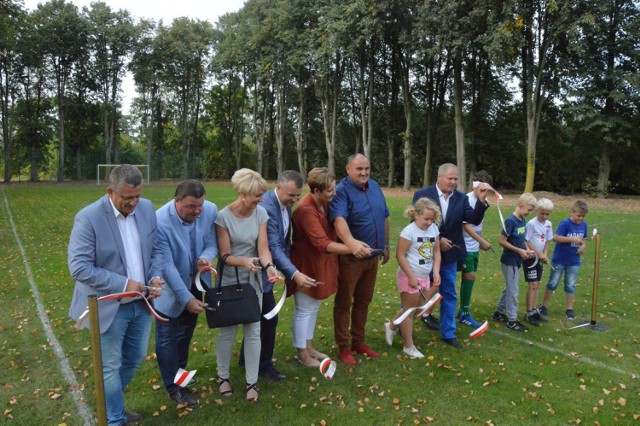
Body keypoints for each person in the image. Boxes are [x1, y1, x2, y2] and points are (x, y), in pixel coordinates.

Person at [68, 164, 163, 426]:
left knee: (134, 357)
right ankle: (114, 418)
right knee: (110, 366)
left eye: (137, 196)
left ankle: (111, 405)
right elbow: (79, 267)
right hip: (108, 306)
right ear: (111, 192)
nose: (133, 203)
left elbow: (155, 250)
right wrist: (123, 284)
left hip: (142, 303)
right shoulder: (88, 218)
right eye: (127, 198)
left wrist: (154, 276)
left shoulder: (146, 208)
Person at [241, 170, 317, 381]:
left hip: (267, 272)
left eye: (297, 196)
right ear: (278, 186)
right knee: (268, 319)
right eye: (290, 195)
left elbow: (285, 242)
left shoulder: (285, 205)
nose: (294, 200)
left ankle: (246, 360)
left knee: (259, 318)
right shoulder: (267, 207)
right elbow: (273, 246)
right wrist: (293, 272)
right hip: (254, 271)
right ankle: (263, 365)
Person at [215, 168, 279, 403]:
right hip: (230, 280)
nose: (260, 199)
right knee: (227, 332)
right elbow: (224, 255)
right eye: (256, 195)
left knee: (254, 331)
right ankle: (223, 378)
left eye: (262, 195)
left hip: (253, 281)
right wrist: (244, 262)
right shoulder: (223, 217)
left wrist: (269, 266)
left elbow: (263, 247)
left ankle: (252, 382)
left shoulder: (260, 212)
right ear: (242, 193)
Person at [153, 180, 218, 408]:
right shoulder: (159, 221)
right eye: (191, 206)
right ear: (176, 200)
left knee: (185, 334)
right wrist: (186, 299)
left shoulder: (210, 209)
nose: (197, 211)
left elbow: (212, 243)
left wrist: (206, 258)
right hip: (170, 289)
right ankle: (174, 388)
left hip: (196, 284)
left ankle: (178, 375)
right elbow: (166, 266)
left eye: (200, 205)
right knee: (166, 336)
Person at [413, 163, 489, 348]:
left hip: (449, 257)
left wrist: (480, 200)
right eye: (451, 178)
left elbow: (473, 219)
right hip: (425, 255)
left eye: (456, 179)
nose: (454, 182)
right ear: (439, 177)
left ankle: (448, 333)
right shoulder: (423, 195)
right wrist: (438, 241)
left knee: (448, 293)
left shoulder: (461, 198)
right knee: (416, 293)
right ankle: (403, 323)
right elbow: (415, 224)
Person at [290, 168, 357, 367]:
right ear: (316, 191)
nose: (333, 194)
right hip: (306, 265)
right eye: (329, 191)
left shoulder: (324, 205)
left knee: (314, 306)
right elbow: (322, 243)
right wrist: (352, 248)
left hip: (321, 263)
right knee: (303, 309)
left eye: (333, 189)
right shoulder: (305, 210)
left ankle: (309, 346)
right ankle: (301, 353)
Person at [329, 153, 388, 365]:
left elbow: (384, 216)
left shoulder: (375, 186)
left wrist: (386, 246)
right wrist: (352, 244)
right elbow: (338, 220)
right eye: (359, 169)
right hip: (351, 260)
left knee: (364, 301)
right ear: (347, 169)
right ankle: (344, 347)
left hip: (372, 257)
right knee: (344, 302)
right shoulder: (341, 191)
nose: (363, 173)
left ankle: (358, 341)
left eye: (367, 168)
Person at [384, 198, 442, 359]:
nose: (430, 222)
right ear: (416, 215)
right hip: (409, 276)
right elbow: (400, 255)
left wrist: (436, 272)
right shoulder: (409, 232)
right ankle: (408, 347)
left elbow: (437, 252)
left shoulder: (434, 230)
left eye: (432, 219)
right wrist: (410, 276)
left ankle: (391, 326)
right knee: (410, 311)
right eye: (427, 219)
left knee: (415, 308)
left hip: (424, 276)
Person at [491, 193, 537, 332]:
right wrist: (519, 251)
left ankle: (498, 313)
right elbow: (502, 241)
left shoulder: (522, 220)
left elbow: (521, 238)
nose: (529, 213)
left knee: (510, 288)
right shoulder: (511, 221)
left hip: (517, 259)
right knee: (513, 291)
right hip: (509, 260)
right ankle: (512, 320)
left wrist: (527, 249)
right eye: (529, 210)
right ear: (521, 206)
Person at [538, 200, 589, 320]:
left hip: (574, 261)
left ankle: (569, 309)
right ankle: (543, 306)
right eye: (578, 215)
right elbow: (555, 237)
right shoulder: (565, 224)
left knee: (570, 285)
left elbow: (584, 239)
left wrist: (583, 246)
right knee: (553, 283)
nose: (580, 218)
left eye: (583, 216)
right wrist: (572, 240)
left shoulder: (584, 225)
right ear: (571, 213)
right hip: (560, 260)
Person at [458, 170, 494, 329]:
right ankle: (464, 313)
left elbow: (477, 224)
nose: (483, 192)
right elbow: (466, 225)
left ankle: (461, 311)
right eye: (480, 188)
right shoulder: (466, 199)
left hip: (473, 246)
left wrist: (479, 241)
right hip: (464, 245)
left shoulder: (482, 200)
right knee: (470, 276)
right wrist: (482, 241)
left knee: (468, 278)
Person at [523, 198, 554, 326]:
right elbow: (526, 241)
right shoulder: (531, 224)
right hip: (531, 258)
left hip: (540, 259)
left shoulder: (548, 224)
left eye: (547, 214)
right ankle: (529, 312)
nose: (545, 216)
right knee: (533, 285)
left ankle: (535, 311)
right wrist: (538, 254)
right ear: (536, 211)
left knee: (537, 285)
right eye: (542, 213)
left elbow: (547, 240)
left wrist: (545, 255)